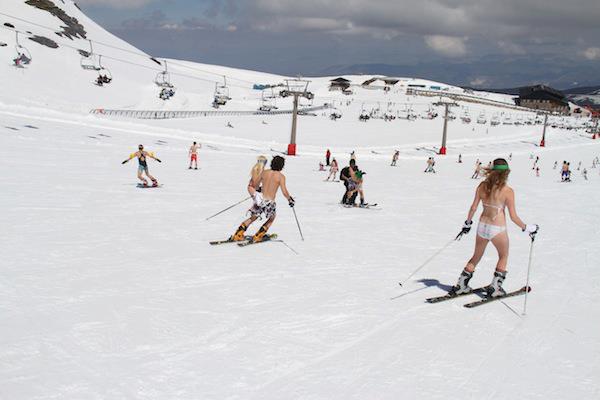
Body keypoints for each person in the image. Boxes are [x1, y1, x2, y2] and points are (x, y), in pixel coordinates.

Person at [450, 158, 538, 297]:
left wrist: (467, 223)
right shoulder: (508, 191)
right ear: (506, 174)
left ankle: (461, 285)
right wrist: (528, 228)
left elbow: (473, 207)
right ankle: (495, 287)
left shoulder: (482, 186)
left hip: (482, 226)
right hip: (497, 229)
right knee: (503, 256)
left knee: (476, 256)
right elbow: (513, 217)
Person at [229, 156, 294, 243]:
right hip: (269, 202)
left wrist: (260, 188)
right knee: (271, 218)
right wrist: (290, 199)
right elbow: (284, 191)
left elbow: (255, 185)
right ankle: (258, 235)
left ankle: (238, 234)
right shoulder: (281, 177)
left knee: (253, 217)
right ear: (282, 166)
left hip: (260, 199)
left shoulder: (264, 172)